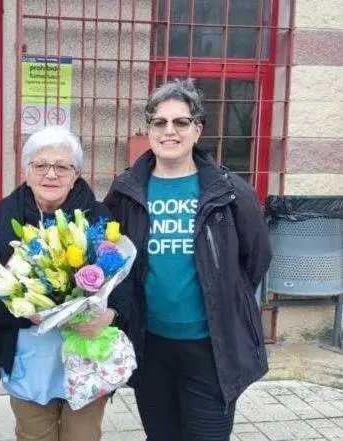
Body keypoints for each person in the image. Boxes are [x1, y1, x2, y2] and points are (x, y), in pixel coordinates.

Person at [104, 79, 272, 441]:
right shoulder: (126, 190)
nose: (169, 131)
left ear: (197, 130)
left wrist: (224, 297)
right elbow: (108, 258)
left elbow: (255, 259)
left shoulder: (229, 191)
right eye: (159, 122)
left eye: (180, 122)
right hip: (151, 346)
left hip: (210, 349)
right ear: (148, 130)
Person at [0, 126, 126, 441]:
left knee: (82, 437)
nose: (50, 174)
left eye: (62, 166)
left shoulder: (98, 216)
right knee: (33, 436)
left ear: (76, 174)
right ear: (27, 172)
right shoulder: (6, 214)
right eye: (40, 165)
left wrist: (109, 316)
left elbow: (125, 286)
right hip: (28, 355)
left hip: (85, 354)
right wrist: (21, 311)